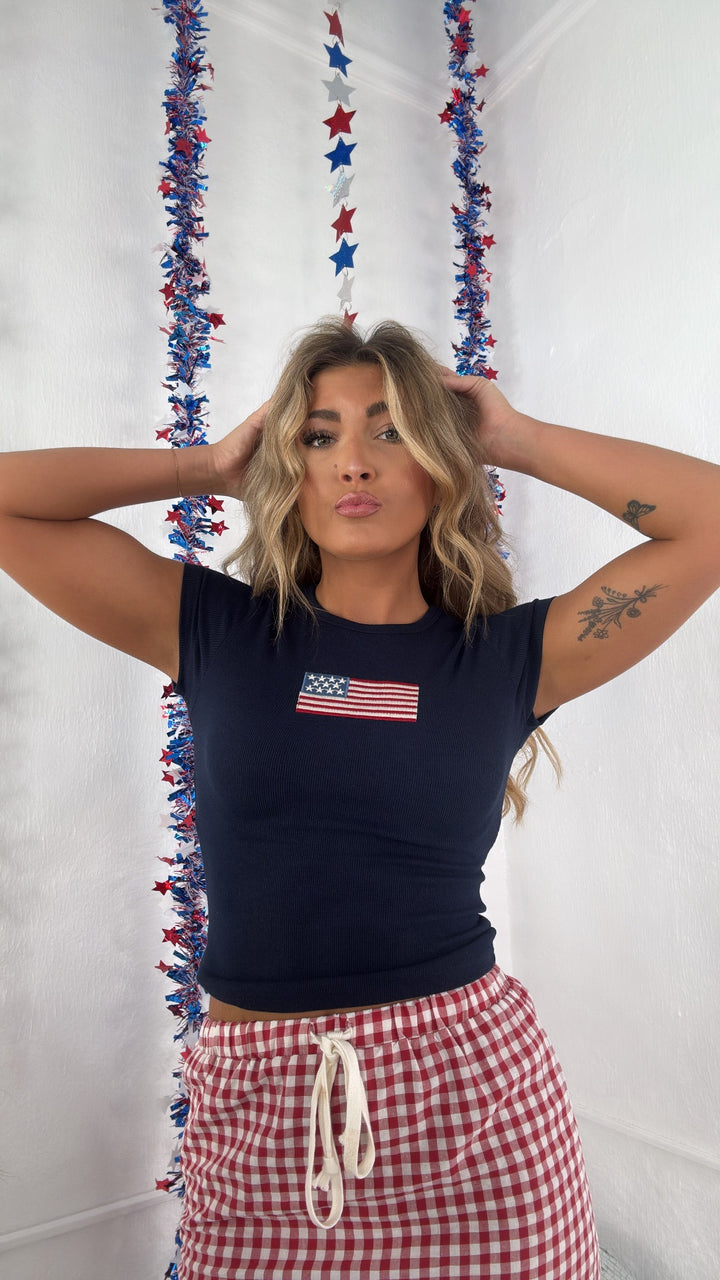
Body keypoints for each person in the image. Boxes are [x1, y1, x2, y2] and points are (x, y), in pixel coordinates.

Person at [1, 317, 718, 1279]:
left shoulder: (511, 658)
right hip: (258, 1123)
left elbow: (708, 518)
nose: (354, 462)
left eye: (392, 430)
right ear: (286, 468)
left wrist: (512, 438)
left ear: (440, 464)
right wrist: (207, 465)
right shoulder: (212, 628)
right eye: (318, 435)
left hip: (476, 1117)